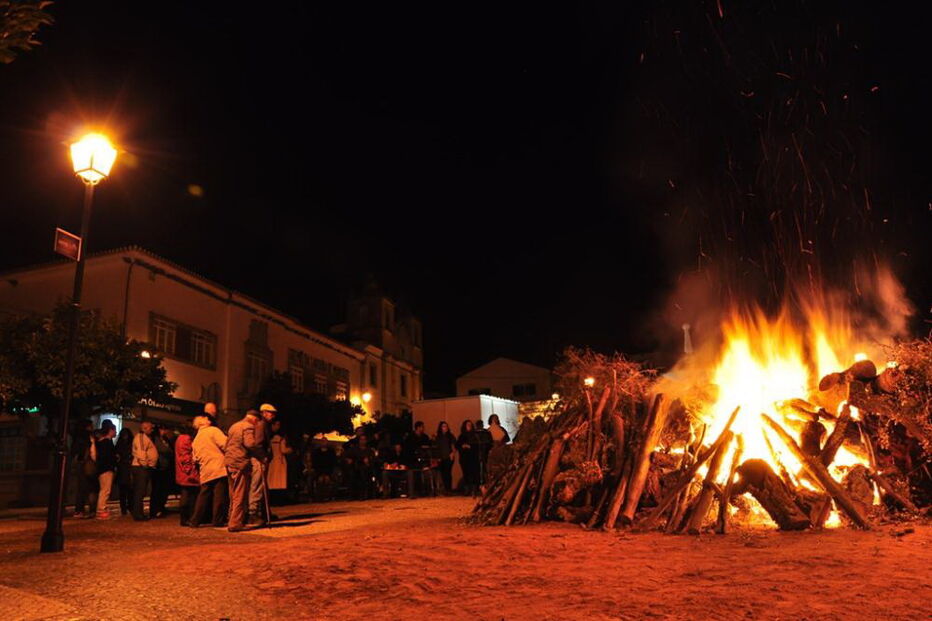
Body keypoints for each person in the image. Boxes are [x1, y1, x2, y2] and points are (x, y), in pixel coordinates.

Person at [224, 409, 264, 532]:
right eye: (257, 422)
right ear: (254, 419)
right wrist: (261, 455)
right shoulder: (248, 426)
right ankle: (235, 523)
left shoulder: (234, 426)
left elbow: (227, 444)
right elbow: (250, 444)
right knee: (239, 494)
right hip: (240, 462)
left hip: (229, 461)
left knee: (233, 493)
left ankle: (231, 518)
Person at [191, 411, 229, 528]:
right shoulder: (213, 430)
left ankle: (195, 520)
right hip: (218, 468)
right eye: (207, 418)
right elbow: (225, 444)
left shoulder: (196, 438)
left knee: (203, 495)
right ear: (205, 421)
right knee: (219, 496)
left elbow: (195, 458)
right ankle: (217, 520)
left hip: (205, 470)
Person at [249, 403, 276, 526]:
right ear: (264, 413)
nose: (273, 416)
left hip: (260, 458)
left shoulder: (264, 424)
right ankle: (253, 513)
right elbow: (258, 443)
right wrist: (263, 457)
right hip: (259, 459)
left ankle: (262, 512)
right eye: (271, 413)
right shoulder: (261, 424)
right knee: (257, 486)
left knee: (261, 486)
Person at [131, 421, 158, 521]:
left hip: (142, 467)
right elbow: (141, 452)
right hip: (141, 468)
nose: (152, 429)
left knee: (141, 491)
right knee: (140, 491)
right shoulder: (141, 438)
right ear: (144, 428)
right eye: (150, 428)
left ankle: (139, 513)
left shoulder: (144, 438)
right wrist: (145, 465)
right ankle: (138, 515)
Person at [70, 419, 96, 519]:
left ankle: (79, 510)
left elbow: (74, 452)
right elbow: (91, 452)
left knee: (81, 488)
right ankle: (89, 509)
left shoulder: (77, 437)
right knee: (89, 487)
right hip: (87, 464)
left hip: (80, 464)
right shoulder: (88, 437)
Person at [175, 425, 200, 526]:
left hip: (182, 473)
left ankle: (185, 518)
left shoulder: (180, 439)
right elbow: (186, 457)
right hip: (187, 473)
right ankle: (186, 518)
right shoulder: (186, 439)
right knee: (189, 496)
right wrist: (190, 470)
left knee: (186, 495)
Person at [150, 425, 175, 518]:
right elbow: (163, 449)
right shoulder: (156, 439)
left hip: (166, 467)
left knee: (164, 490)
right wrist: (169, 451)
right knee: (157, 490)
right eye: (162, 429)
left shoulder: (165, 439)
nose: (164, 431)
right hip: (159, 467)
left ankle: (161, 507)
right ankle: (155, 509)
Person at [94, 420, 117, 519]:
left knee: (104, 490)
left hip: (103, 468)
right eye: (114, 430)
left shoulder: (101, 442)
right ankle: (101, 510)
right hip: (106, 469)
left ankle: (102, 509)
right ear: (110, 430)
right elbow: (107, 456)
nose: (115, 433)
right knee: (105, 490)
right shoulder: (106, 442)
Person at [267, 420, 292, 505]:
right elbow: (283, 450)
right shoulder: (281, 439)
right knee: (280, 482)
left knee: (271, 481)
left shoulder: (269, 438)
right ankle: (280, 500)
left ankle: (272, 500)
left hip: (271, 461)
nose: (278, 426)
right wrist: (290, 450)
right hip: (279, 461)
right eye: (277, 424)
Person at [346, 434, 377, 500]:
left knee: (363, 473)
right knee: (353, 474)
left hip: (366, 469)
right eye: (361, 439)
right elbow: (348, 457)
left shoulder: (369, 450)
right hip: (355, 467)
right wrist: (349, 460)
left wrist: (368, 461)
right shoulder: (354, 449)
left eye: (364, 439)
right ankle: (352, 495)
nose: (363, 441)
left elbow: (373, 460)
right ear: (359, 440)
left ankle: (363, 495)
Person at [457, 420, 480, 496]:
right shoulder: (461, 436)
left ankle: (474, 490)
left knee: (474, 473)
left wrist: (470, 446)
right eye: (467, 425)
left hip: (473, 458)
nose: (469, 426)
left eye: (470, 425)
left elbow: (477, 446)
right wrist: (462, 446)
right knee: (466, 473)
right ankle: (467, 490)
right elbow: (457, 445)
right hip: (464, 458)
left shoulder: (475, 436)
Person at [115, 428, 134, 516]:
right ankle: (125, 508)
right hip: (124, 468)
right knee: (125, 490)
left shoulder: (120, 444)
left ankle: (127, 507)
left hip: (125, 468)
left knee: (127, 490)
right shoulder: (122, 444)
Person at [434, 421, 457, 494]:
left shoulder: (450, 436)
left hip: (449, 456)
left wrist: (453, 454)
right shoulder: (438, 437)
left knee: (448, 473)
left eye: (446, 426)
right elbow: (436, 447)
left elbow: (453, 446)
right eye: (443, 426)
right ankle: (445, 489)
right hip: (440, 457)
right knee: (443, 473)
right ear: (440, 428)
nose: (445, 428)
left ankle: (449, 489)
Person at [474, 419, 493, 486]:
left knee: (484, 469)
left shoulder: (486, 433)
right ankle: (481, 483)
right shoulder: (475, 433)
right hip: (478, 453)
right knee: (479, 469)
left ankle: (484, 483)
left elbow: (490, 442)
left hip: (484, 453)